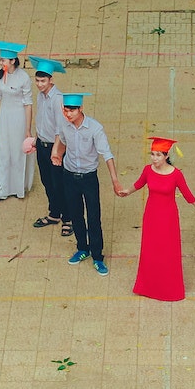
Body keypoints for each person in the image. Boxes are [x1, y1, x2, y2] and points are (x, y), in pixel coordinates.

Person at [52, 93, 125, 277]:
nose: (68, 114)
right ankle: (82, 248)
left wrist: (115, 181)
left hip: (89, 178)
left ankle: (98, 256)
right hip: (69, 175)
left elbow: (107, 155)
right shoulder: (64, 125)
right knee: (76, 214)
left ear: (81, 109)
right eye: (66, 110)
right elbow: (62, 140)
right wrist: (57, 154)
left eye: (72, 111)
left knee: (93, 217)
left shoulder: (95, 128)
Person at [129, 138, 195, 302]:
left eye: (158, 155)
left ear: (166, 155)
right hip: (151, 215)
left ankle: (169, 289)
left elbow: (186, 193)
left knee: (168, 251)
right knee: (150, 250)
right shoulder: (148, 170)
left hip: (168, 218)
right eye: (152, 154)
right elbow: (139, 184)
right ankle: (147, 287)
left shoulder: (176, 174)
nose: (154, 158)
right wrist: (126, 191)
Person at [0, 41, 34, 205]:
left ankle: (18, 187)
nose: (1, 62)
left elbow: (28, 104)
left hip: (19, 118)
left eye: (3, 59)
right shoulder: (0, 74)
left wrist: (28, 129)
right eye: (0, 59)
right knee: (3, 152)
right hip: (5, 118)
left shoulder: (23, 78)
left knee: (17, 153)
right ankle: (1, 188)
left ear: (12, 61)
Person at [29, 57, 69, 233]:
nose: (39, 84)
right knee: (47, 181)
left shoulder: (57, 99)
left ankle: (68, 218)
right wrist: (36, 139)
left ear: (51, 80)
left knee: (60, 183)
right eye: (37, 80)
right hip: (42, 144)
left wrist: (56, 152)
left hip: (55, 147)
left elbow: (61, 129)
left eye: (43, 81)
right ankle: (54, 213)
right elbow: (40, 119)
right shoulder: (40, 96)